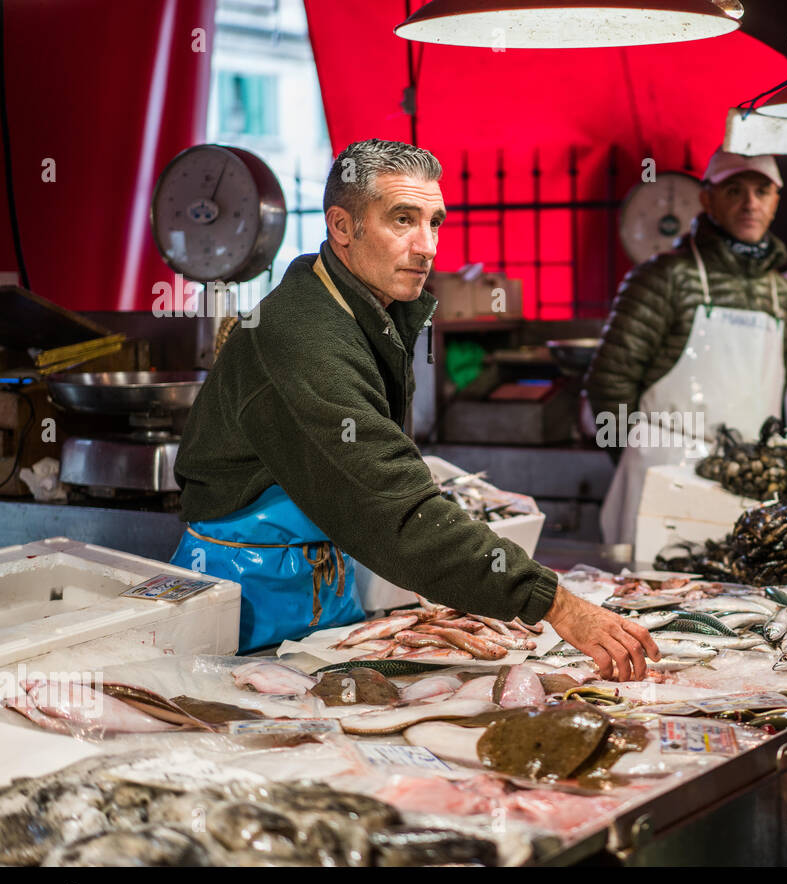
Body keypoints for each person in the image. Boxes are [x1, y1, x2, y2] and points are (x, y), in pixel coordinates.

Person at [172, 139, 657, 680]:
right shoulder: (302, 335)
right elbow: (394, 510)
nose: (427, 245)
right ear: (342, 227)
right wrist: (556, 604)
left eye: (435, 222)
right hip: (245, 603)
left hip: (316, 580)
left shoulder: (363, 312)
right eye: (402, 219)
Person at [586, 149, 787, 545]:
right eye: (734, 190)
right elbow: (608, 383)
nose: (750, 203)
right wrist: (639, 459)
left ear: (776, 201)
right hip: (664, 479)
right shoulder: (661, 277)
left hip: (746, 489)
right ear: (707, 198)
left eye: (762, 191)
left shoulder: (783, 294)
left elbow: (775, 392)